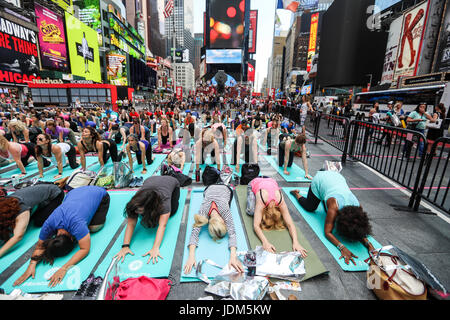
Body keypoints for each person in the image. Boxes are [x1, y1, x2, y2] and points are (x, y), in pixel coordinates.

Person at [13, 186, 110, 288]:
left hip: (100, 193)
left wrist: (64, 268)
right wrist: (32, 264)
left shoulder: (78, 225)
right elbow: (40, 246)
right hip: (74, 192)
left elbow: (85, 249)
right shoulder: (49, 224)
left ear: (73, 238)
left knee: (94, 228)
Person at [289, 171, 374, 265]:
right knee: (310, 207)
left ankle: (324, 196)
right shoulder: (334, 206)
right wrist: (342, 247)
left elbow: (358, 227)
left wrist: (369, 245)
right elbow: (327, 232)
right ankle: (296, 194)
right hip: (320, 179)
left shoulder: (358, 207)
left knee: (328, 211)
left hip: (336, 177)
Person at [114, 176, 180, 264]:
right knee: (145, 217)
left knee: (171, 212)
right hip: (150, 180)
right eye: (136, 210)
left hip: (172, 182)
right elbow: (131, 224)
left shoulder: (164, 202)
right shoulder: (135, 202)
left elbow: (162, 226)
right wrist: (125, 246)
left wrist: (155, 248)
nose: (136, 212)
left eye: (139, 210)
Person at [183, 184, 243, 274]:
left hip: (219, 189)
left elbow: (232, 233)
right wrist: (191, 256)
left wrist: (233, 256)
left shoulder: (225, 210)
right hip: (211, 189)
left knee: (225, 201)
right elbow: (194, 233)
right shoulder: (204, 210)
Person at [0, 184, 65, 258]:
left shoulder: (21, 210)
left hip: (55, 194)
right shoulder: (4, 203)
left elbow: (17, 236)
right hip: (37, 194)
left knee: (38, 221)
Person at [248, 177, 308, 256]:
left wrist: (296, 242)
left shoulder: (280, 201)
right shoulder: (261, 200)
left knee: (256, 212)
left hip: (271, 180)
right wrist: (265, 242)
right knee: (251, 211)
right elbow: (256, 225)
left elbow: (290, 224)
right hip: (254, 182)